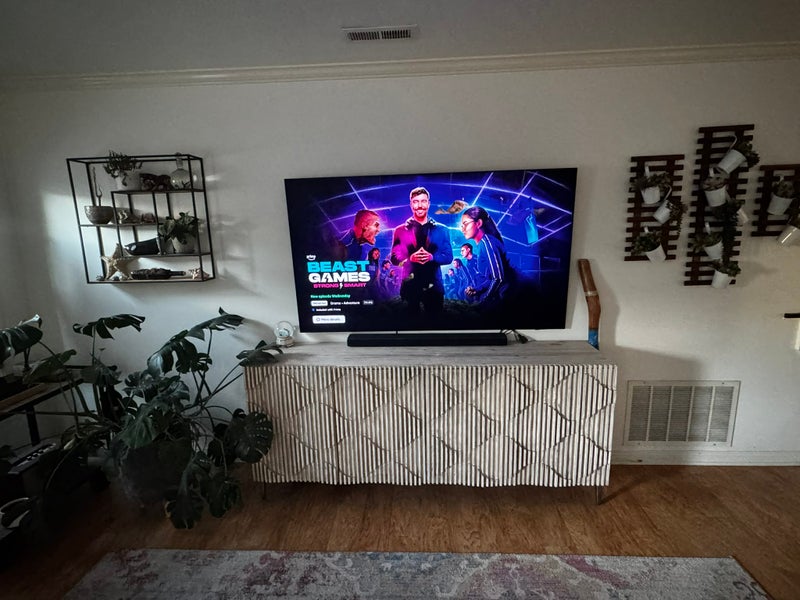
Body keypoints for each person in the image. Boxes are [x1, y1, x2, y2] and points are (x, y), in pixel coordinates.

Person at [390, 187, 453, 315]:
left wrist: (432, 257)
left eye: (423, 201)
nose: (419, 205)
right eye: (416, 201)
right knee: (409, 324)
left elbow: (448, 256)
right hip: (410, 287)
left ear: (428, 204)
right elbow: (394, 258)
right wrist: (410, 259)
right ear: (411, 204)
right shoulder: (399, 230)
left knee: (435, 324)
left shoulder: (443, 230)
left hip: (434, 287)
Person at [460, 206, 515, 308]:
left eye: (465, 224)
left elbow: (498, 279)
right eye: (461, 225)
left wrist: (483, 302)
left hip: (504, 299)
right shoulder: (482, 243)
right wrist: (477, 289)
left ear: (478, 223)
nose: (462, 229)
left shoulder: (487, 242)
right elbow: (491, 278)